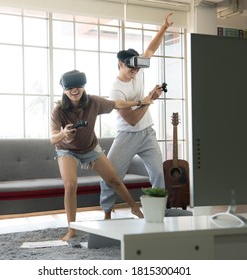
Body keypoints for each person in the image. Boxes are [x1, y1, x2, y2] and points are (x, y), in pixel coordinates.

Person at [50, 69, 152, 241]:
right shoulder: (58, 110)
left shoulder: (93, 102)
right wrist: (63, 134)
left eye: (78, 87)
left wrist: (140, 102)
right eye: (69, 88)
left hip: (90, 148)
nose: (74, 90)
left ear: (83, 87)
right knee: (70, 185)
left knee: (114, 179)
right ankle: (72, 229)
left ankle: (135, 209)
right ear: (64, 90)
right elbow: (53, 138)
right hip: (66, 149)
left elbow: (117, 104)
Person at [100, 13, 174, 219]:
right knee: (111, 175)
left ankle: (159, 210)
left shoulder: (138, 70)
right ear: (120, 64)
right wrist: (149, 99)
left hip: (147, 133)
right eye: (131, 67)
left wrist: (163, 28)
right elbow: (131, 120)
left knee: (158, 174)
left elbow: (150, 49)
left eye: (137, 67)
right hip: (127, 135)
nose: (135, 71)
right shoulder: (116, 89)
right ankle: (106, 212)